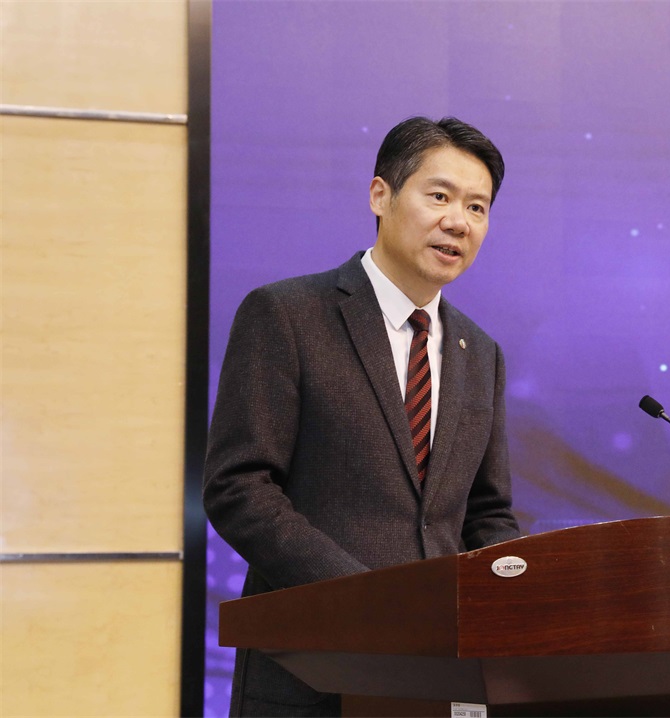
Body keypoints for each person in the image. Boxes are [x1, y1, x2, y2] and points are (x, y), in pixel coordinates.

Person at [203, 116, 523, 717]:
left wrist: (517, 591)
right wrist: (365, 600)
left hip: (441, 676)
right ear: (381, 195)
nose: (459, 221)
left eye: (477, 207)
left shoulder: (480, 353)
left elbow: (486, 513)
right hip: (314, 673)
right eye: (440, 196)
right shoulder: (287, 316)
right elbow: (239, 488)